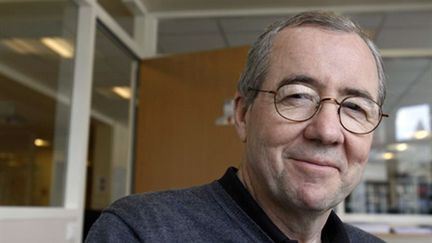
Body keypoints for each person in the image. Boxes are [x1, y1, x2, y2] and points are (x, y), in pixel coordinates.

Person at [86, 11, 387, 243]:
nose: (327, 131)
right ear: (243, 115)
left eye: (355, 107)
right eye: (298, 96)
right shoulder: (140, 231)